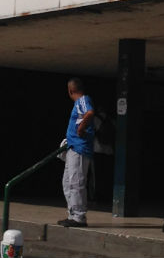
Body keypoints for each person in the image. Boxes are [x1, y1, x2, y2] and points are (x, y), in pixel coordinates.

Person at [59, 77, 95, 228]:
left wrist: (80, 129)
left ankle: (79, 217)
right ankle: (72, 214)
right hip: (73, 148)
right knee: (67, 182)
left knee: (76, 182)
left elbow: (90, 113)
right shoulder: (78, 103)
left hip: (79, 149)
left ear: (70, 91)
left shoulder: (82, 100)